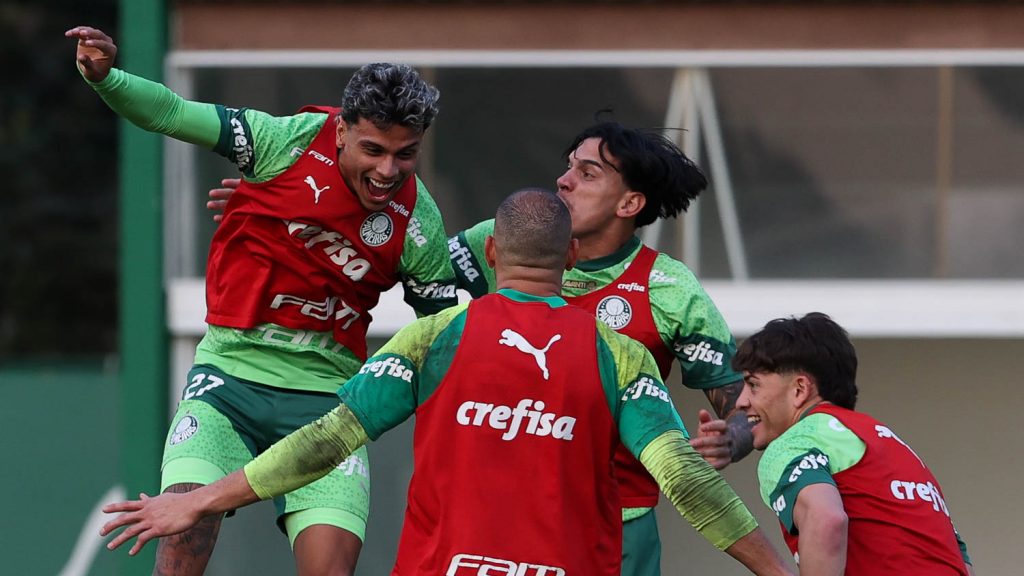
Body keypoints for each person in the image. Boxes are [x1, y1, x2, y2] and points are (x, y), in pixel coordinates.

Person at [100, 189, 794, 576]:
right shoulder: (619, 356)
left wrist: (204, 499)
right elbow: (686, 480)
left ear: (491, 254)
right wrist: (777, 572)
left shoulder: (434, 339)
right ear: (573, 255)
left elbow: (327, 439)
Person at [209, 121, 753, 574]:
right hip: (496, 524)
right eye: (566, 167)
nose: (563, 181)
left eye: (587, 174)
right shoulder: (503, 237)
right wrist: (286, 215)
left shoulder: (670, 290)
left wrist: (732, 437)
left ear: (631, 202)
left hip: (618, 522)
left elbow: (743, 406)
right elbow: (401, 260)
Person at [67, 25, 457, 576]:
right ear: (341, 131)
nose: (387, 171)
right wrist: (106, 78)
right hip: (228, 381)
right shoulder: (288, 141)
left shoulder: (420, 223)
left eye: (405, 154)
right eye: (373, 149)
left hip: (327, 403)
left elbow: (449, 335)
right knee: (179, 551)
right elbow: (176, 114)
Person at [730, 312, 974, 575]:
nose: (741, 401)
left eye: (753, 385)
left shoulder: (796, 441)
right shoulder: (895, 449)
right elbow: (962, 561)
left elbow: (826, 519)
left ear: (799, 389)